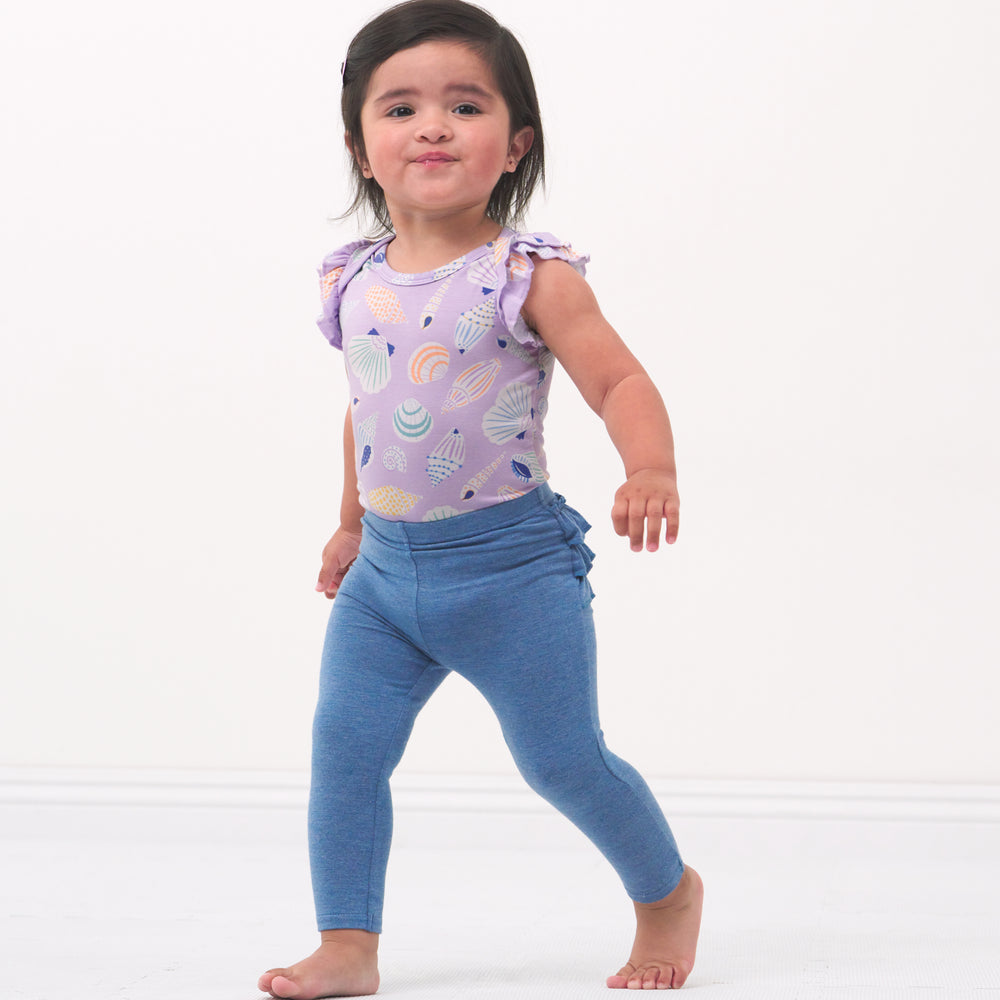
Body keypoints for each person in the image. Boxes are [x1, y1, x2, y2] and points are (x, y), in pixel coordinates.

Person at [259, 1, 703, 994]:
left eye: (464, 106)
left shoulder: (529, 276)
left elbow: (618, 381)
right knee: (343, 749)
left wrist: (650, 467)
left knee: (562, 760)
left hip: (511, 573)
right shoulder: (353, 279)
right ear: (360, 148)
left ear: (515, 145)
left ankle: (666, 890)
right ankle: (348, 943)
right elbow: (368, 409)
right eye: (401, 107)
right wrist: (346, 523)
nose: (432, 126)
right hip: (383, 578)